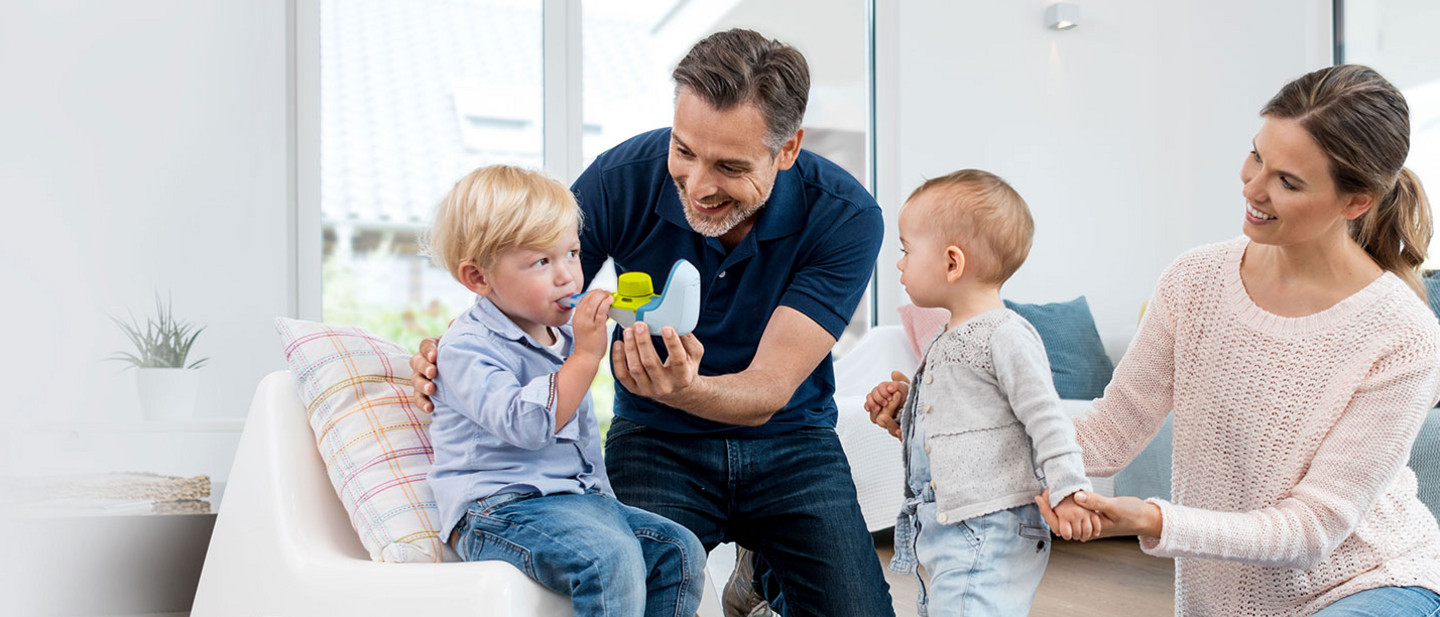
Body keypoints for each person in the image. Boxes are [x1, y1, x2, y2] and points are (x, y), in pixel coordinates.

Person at [866, 64, 1440, 616]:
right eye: (1256, 157)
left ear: (1356, 201)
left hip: (1369, 585)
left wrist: (1152, 520)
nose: (1254, 188)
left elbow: (1311, 528)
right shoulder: (1196, 280)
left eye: (1287, 182)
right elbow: (1110, 432)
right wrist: (944, 422)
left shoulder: (1404, 335)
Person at [413, 29, 894, 617]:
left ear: (788, 149)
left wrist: (687, 388)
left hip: (790, 442)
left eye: (730, 166)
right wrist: (460, 351)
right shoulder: (621, 179)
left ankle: (764, 570)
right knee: (637, 579)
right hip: (657, 440)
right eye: (685, 150)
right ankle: (767, 565)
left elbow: (768, 390)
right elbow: (521, 287)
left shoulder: (845, 216)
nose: (697, 185)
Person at [422, 165, 706, 617]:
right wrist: (585, 360)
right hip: (498, 509)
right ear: (478, 278)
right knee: (607, 558)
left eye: (572, 253)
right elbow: (528, 425)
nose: (568, 277)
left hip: (577, 502)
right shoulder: (468, 347)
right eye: (542, 262)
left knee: (680, 550)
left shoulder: (569, 336)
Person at [862, 170, 1102, 616]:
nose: (899, 263)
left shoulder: (1005, 334)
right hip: (948, 525)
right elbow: (960, 425)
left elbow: (1047, 418)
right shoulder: (946, 337)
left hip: (989, 527)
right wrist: (905, 411)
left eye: (906, 250)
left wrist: (1069, 490)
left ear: (952, 263)